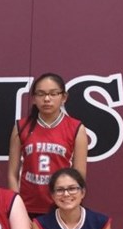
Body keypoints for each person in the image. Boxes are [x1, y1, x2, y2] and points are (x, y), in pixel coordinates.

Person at [7, 72, 88, 218]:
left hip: (62, 206)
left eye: (53, 94)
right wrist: (17, 207)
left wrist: (70, 206)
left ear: (64, 97)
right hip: (28, 206)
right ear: (33, 98)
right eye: (41, 94)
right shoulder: (21, 127)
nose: (46, 99)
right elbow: (12, 174)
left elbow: (79, 177)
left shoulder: (76, 128)